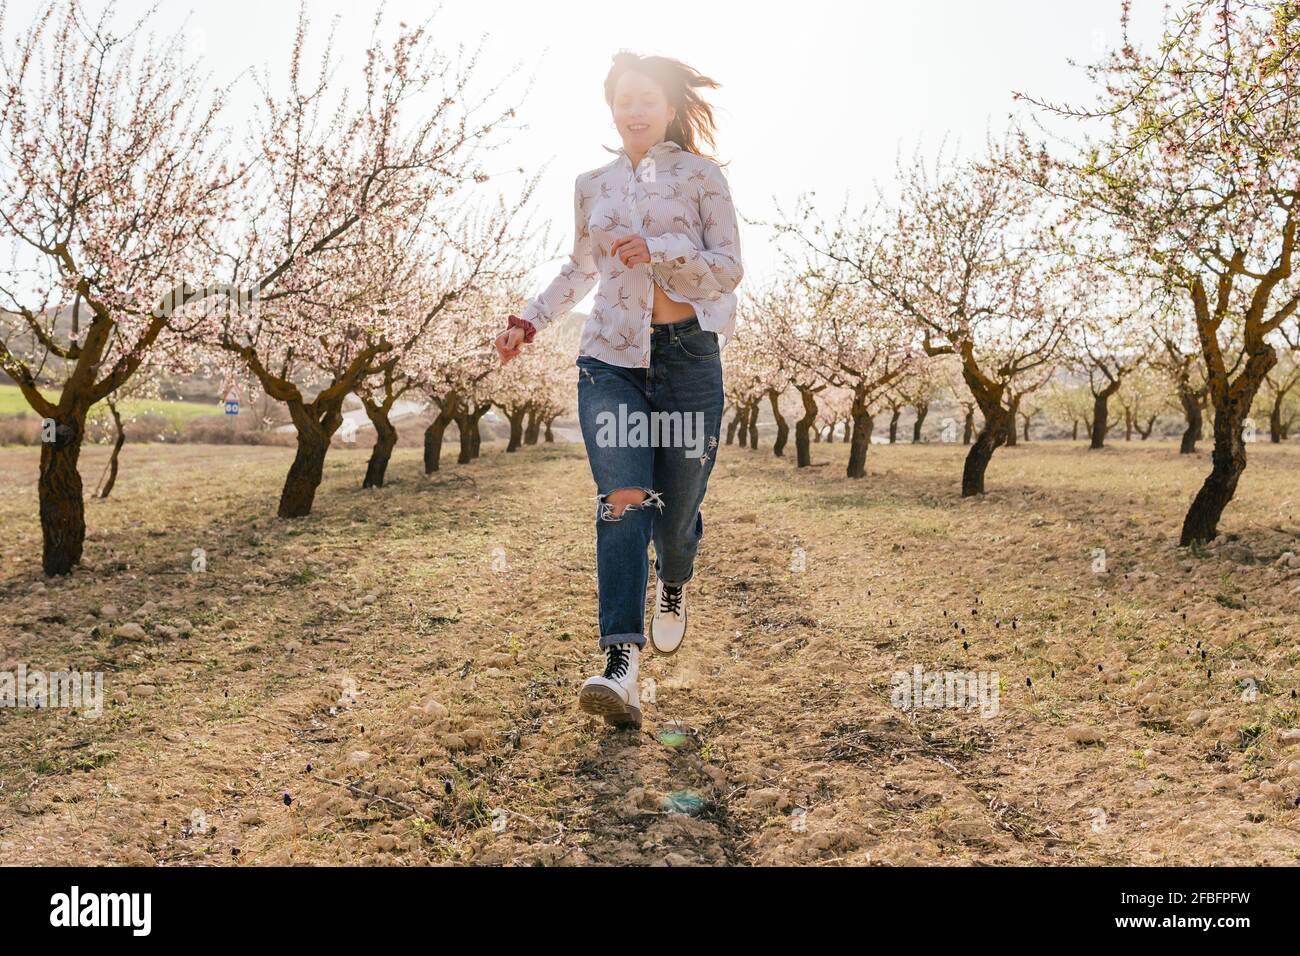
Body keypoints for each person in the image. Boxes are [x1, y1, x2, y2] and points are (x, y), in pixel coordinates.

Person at [495, 51, 743, 729]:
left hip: (689, 359)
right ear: (611, 107)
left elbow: (728, 270)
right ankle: (621, 666)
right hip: (609, 362)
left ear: (668, 107)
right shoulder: (591, 183)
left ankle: (675, 579)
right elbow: (579, 267)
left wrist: (659, 255)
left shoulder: (702, 177)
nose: (634, 109)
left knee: (674, 516)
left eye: (647, 99)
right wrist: (530, 318)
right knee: (622, 502)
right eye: (623, 99)